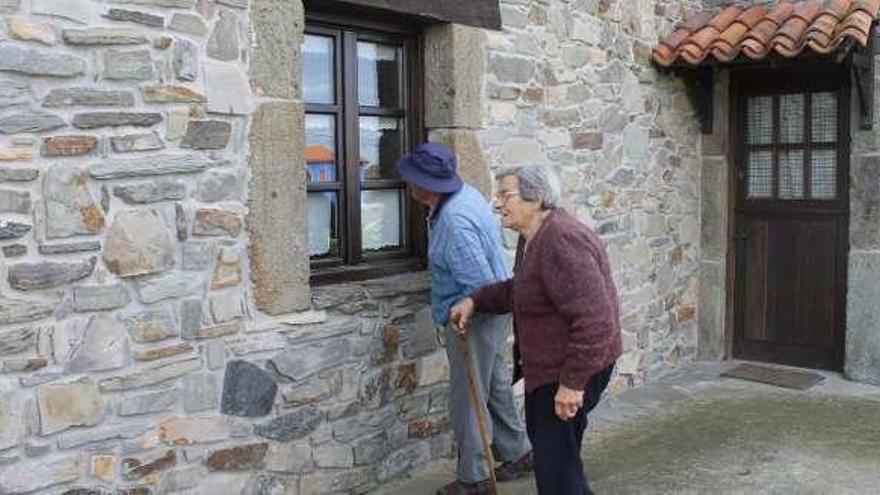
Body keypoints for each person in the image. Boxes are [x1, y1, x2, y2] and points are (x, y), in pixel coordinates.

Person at [450, 165, 622, 495]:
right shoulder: (534, 237)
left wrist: (572, 384)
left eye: (505, 195)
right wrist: (476, 299)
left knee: (556, 467)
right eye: (496, 195)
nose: (497, 204)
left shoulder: (561, 239)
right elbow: (524, 289)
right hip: (555, 369)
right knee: (559, 460)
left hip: (568, 370)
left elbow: (595, 319)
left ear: (537, 197)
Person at [396, 143, 533, 495]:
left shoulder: (455, 220)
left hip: (473, 316)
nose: (408, 185)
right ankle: (517, 453)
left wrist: (463, 316)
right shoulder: (463, 195)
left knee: (468, 396)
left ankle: (474, 477)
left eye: (413, 179)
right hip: (491, 312)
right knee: (494, 386)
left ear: (429, 185)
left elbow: (478, 285)